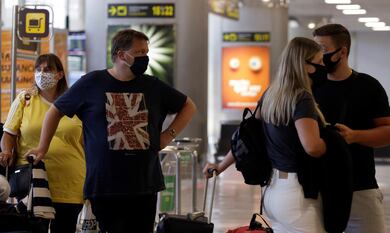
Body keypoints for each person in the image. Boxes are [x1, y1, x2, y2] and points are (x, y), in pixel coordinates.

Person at [26, 29, 196, 233]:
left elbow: (188, 106)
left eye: (146, 52)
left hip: (144, 183)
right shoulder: (91, 83)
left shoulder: (153, 86)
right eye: (140, 52)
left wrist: (167, 136)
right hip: (105, 184)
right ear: (121, 55)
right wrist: (42, 148)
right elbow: (55, 111)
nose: (145, 57)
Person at [204, 37, 328, 233]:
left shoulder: (271, 94)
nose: (323, 66)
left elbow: (246, 136)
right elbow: (312, 146)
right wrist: (333, 142)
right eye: (320, 61)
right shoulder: (302, 98)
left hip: (272, 190)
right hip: (297, 193)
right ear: (305, 65)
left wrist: (220, 166)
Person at [312, 24, 390, 233]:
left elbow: (389, 133)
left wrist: (354, 136)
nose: (318, 56)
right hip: (316, 189)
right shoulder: (309, 87)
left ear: (342, 51)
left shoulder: (368, 86)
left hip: (360, 187)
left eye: (323, 49)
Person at [0, 53, 85, 233]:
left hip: (70, 183)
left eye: (47, 69)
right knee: (32, 228)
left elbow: (86, 143)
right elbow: (8, 134)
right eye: (38, 70)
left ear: (60, 74)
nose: (41, 73)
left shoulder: (76, 104)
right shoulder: (25, 100)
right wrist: (6, 151)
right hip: (32, 181)